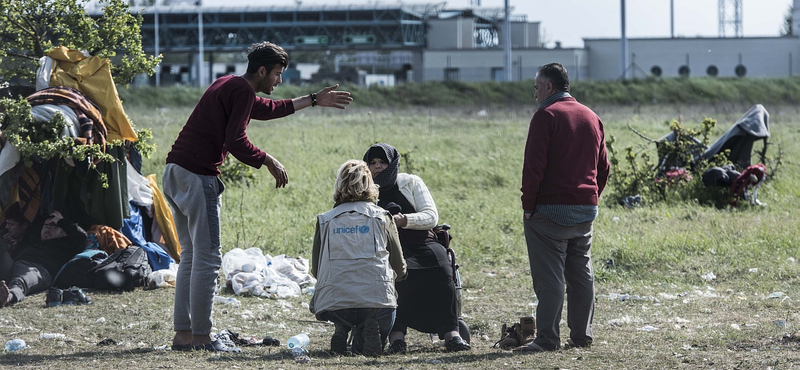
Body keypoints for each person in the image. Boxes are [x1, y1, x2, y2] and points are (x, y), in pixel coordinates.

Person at [163, 41, 352, 353]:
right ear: (262, 71)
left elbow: (266, 109)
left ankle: (184, 335)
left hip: (175, 170)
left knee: (193, 256)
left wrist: (314, 100)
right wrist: (268, 160)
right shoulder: (241, 91)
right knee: (208, 258)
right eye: (276, 74)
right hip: (198, 175)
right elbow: (235, 141)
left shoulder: (229, 84)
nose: (278, 81)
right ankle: (201, 337)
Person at [515, 63, 610, 352]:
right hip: (585, 209)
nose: (534, 94)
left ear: (548, 87)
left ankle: (547, 339)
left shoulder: (545, 116)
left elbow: (533, 168)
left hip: (550, 212)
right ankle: (581, 337)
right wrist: (590, 197)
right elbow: (603, 168)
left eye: (536, 87)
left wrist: (529, 207)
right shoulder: (592, 116)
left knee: (550, 277)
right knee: (581, 273)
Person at [363, 143, 471, 353]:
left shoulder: (411, 182)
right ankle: (397, 338)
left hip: (423, 242)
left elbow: (431, 216)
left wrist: (404, 220)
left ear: (392, 163)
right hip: (389, 247)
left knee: (442, 268)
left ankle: (452, 333)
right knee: (397, 276)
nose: (377, 167)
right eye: (373, 163)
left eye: (382, 162)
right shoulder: (365, 188)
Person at [309, 159, 407, 356]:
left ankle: (341, 329)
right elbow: (399, 266)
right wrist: (399, 275)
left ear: (339, 184)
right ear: (371, 185)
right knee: (385, 306)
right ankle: (372, 335)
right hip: (376, 301)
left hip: (335, 304)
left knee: (342, 307)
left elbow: (316, 269)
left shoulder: (325, 220)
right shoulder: (383, 216)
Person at [0, 203, 89, 307]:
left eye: (53, 227)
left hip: (38, 270)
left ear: (64, 233)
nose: (47, 229)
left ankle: (7, 298)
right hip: (13, 265)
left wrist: (61, 221)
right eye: (45, 226)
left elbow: (82, 237)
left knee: (19, 283)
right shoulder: (34, 241)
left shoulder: (65, 245)